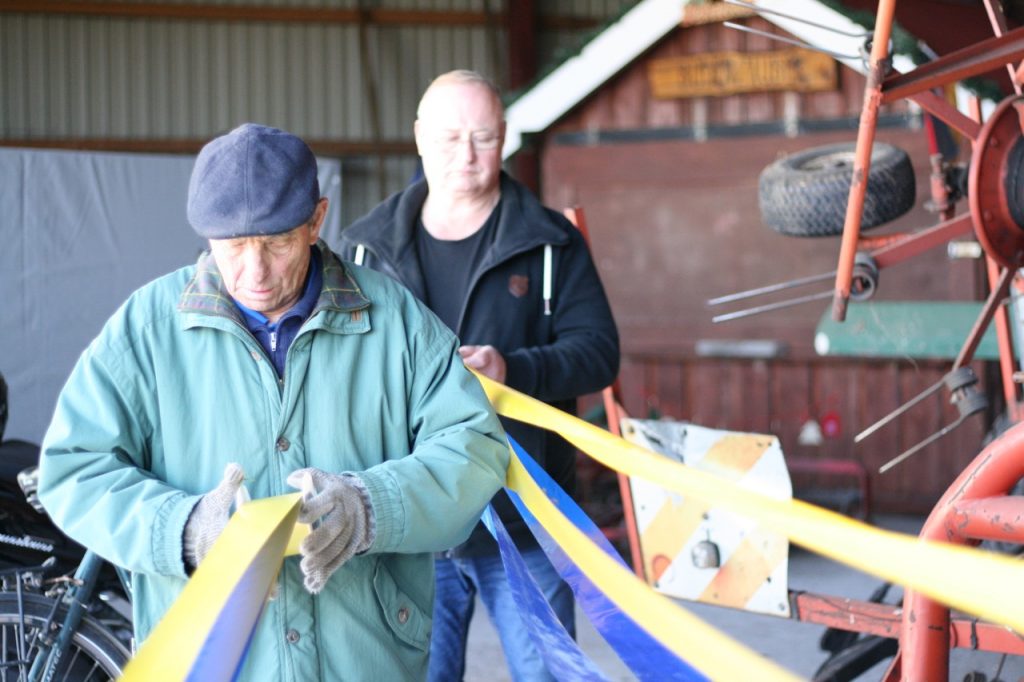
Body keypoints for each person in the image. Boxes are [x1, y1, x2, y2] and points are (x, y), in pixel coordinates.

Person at [37, 123, 510, 681]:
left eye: (276, 244)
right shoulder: (146, 328)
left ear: (316, 220)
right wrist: (182, 529)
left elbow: (474, 446)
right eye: (233, 247)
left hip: (363, 661)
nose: (254, 272)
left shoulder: (395, 319)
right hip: (208, 664)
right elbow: (73, 469)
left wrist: (369, 507)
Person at [339, 70, 620, 681]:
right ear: (418, 137)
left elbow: (599, 353)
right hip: (408, 523)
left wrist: (511, 368)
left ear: (505, 137)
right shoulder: (363, 251)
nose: (466, 154)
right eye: (449, 137)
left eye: (483, 137)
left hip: (521, 520)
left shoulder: (551, 244)